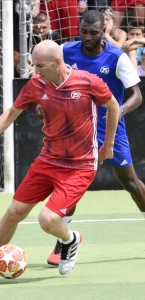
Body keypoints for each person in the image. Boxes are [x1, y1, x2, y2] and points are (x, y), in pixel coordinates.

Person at [0, 39, 119, 282]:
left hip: (80, 165)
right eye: (34, 66)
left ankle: (70, 239)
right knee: (14, 212)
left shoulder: (87, 81)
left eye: (40, 66)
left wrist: (108, 144)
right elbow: (11, 112)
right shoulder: (37, 84)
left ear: (57, 62)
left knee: (47, 220)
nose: (35, 72)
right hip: (48, 160)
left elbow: (114, 106)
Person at [45, 9, 145, 267]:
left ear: (104, 32)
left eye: (94, 33)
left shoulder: (116, 57)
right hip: (75, 130)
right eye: (84, 32)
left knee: (131, 184)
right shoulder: (65, 50)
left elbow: (137, 95)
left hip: (109, 129)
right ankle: (64, 241)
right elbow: (48, 77)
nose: (87, 37)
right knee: (69, 187)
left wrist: (117, 110)